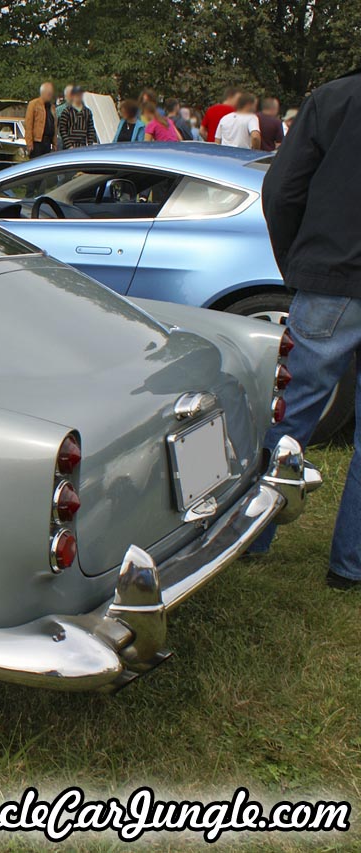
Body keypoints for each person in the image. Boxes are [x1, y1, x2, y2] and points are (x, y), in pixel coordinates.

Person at [250, 67, 361, 590]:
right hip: (329, 276)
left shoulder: (333, 99)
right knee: (290, 412)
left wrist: (298, 264)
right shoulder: (332, 99)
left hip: (331, 280)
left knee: (290, 414)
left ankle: (253, 537)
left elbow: (282, 188)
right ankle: (351, 565)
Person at [23, 81, 57, 157]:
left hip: (48, 142)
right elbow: (28, 124)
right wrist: (29, 142)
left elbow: (54, 125)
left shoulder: (52, 107)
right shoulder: (33, 104)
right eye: (49, 94)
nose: (50, 96)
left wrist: (55, 143)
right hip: (37, 142)